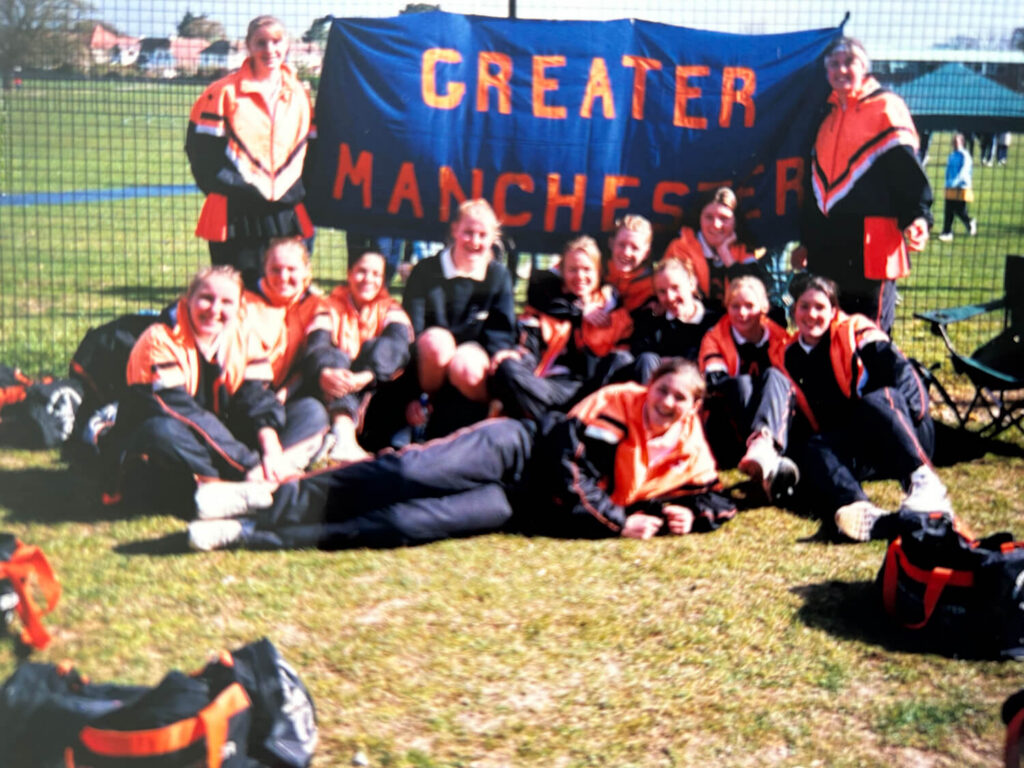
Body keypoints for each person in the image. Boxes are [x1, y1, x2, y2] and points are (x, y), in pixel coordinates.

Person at [186, 358, 737, 551]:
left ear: (694, 408)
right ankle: (267, 499)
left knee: (404, 522)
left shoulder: (692, 449)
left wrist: (695, 514)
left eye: (680, 399)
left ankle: (251, 536)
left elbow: (718, 497)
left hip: (521, 505)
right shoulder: (618, 403)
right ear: (651, 387)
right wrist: (619, 522)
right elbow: (567, 472)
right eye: (662, 390)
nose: (665, 403)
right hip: (515, 452)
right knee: (407, 470)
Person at [115, 265, 328, 517]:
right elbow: (186, 414)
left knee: (310, 412)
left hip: (226, 442)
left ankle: (268, 477)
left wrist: (271, 450)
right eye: (206, 298)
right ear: (188, 299)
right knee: (161, 432)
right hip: (180, 437)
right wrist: (247, 464)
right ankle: (252, 485)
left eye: (227, 302)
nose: (215, 310)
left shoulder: (244, 336)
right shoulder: (158, 339)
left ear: (240, 307)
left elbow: (256, 399)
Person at [780, 274, 952, 542]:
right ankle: (860, 509)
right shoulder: (788, 355)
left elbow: (902, 373)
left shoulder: (856, 330)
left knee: (875, 399)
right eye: (804, 306)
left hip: (903, 431)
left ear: (834, 310)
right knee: (813, 446)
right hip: (862, 447)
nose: (811, 314)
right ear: (793, 311)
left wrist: (915, 416)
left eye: (820, 307)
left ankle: (923, 482)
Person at [793, 37, 932, 335]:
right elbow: (815, 186)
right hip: (827, 244)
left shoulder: (886, 107)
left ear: (865, 67)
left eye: (849, 63)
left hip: (871, 245)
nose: (840, 70)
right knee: (826, 328)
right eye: (833, 64)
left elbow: (907, 171)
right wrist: (807, 240)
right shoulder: (824, 115)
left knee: (869, 334)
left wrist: (918, 215)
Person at [186, 15, 316, 289]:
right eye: (261, 42)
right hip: (237, 212)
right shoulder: (221, 93)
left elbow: (311, 149)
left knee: (282, 289)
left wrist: (296, 192)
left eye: (276, 42)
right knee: (236, 291)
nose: (270, 50)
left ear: (288, 44)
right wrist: (235, 188)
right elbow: (201, 154)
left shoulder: (300, 95)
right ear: (248, 46)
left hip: (285, 210)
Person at [400, 198, 516, 438]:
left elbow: (501, 335)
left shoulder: (498, 275)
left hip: (471, 363)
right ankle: (425, 407)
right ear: (454, 230)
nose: (475, 241)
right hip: (431, 366)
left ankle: (486, 421)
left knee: (465, 365)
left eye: (483, 235)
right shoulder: (425, 271)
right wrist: (410, 394)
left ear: (493, 238)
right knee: (437, 343)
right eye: (468, 233)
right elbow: (412, 331)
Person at [489, 236, 634, 421]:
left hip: (590, 387)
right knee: (507, 368)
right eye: (573, 270)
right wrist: (516, 355)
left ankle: (560, 417)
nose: (580, 276)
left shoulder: (612, 307)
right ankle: (564, 419)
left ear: (598, 272)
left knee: (622, 360)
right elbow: (529, 347)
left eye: (587, 269)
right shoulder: (546, 304)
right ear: (562, 272)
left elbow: (621, 355)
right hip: (548, 385)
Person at [697, 276, 798, 501]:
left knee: (773, 376)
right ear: (727, 307)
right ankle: (766, 457)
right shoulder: (715, 337)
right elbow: (715, 387)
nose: (742, 313)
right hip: (728, 429)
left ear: (763, 307)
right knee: (741, 383)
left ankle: (764, 451)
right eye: (735, 306)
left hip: (773, 425)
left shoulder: (779, 337)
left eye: (749, 306)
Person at [322, 250, 413, 461]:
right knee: (334, 357)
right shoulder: (328, 306)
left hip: (372, 388)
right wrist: (328, 372)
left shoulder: (390, 308)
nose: (368, 279)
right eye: (361, 272)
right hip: (335, 389)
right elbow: (318, 346)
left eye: (376, 274)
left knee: (380, 348)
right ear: (349, 274)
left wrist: (366, 375)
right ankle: (342, 435)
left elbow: (398, 344)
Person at [662, 186, 773, 318]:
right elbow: (682, 298)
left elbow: (756, 294)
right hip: (693, 321)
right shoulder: (680, 247)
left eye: (724, 218)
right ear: (699, 218)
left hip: (736, 322)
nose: (716, 224)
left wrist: (726, 255)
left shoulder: (743, 249)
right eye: (709, 217)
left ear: (735, 222)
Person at [628, 258, 717, 382]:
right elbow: (643, 360)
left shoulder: (715, 318)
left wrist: (671, 362)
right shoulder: (652, 323)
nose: (670, 297)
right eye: (662, 291)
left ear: (691, 283)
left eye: (675, 288)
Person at [937, 133, 976, 243]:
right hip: (950, 186)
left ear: (962, 142)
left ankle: (969, 222)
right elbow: (948, 171)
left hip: (961, 186)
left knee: (960, 210)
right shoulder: (952, 155)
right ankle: (947, 232)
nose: (955, 143)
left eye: (957, 141)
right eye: (954, 141)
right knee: (948, 210)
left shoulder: (965, 155)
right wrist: (947, 183)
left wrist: (956, 182)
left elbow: (964, 171)